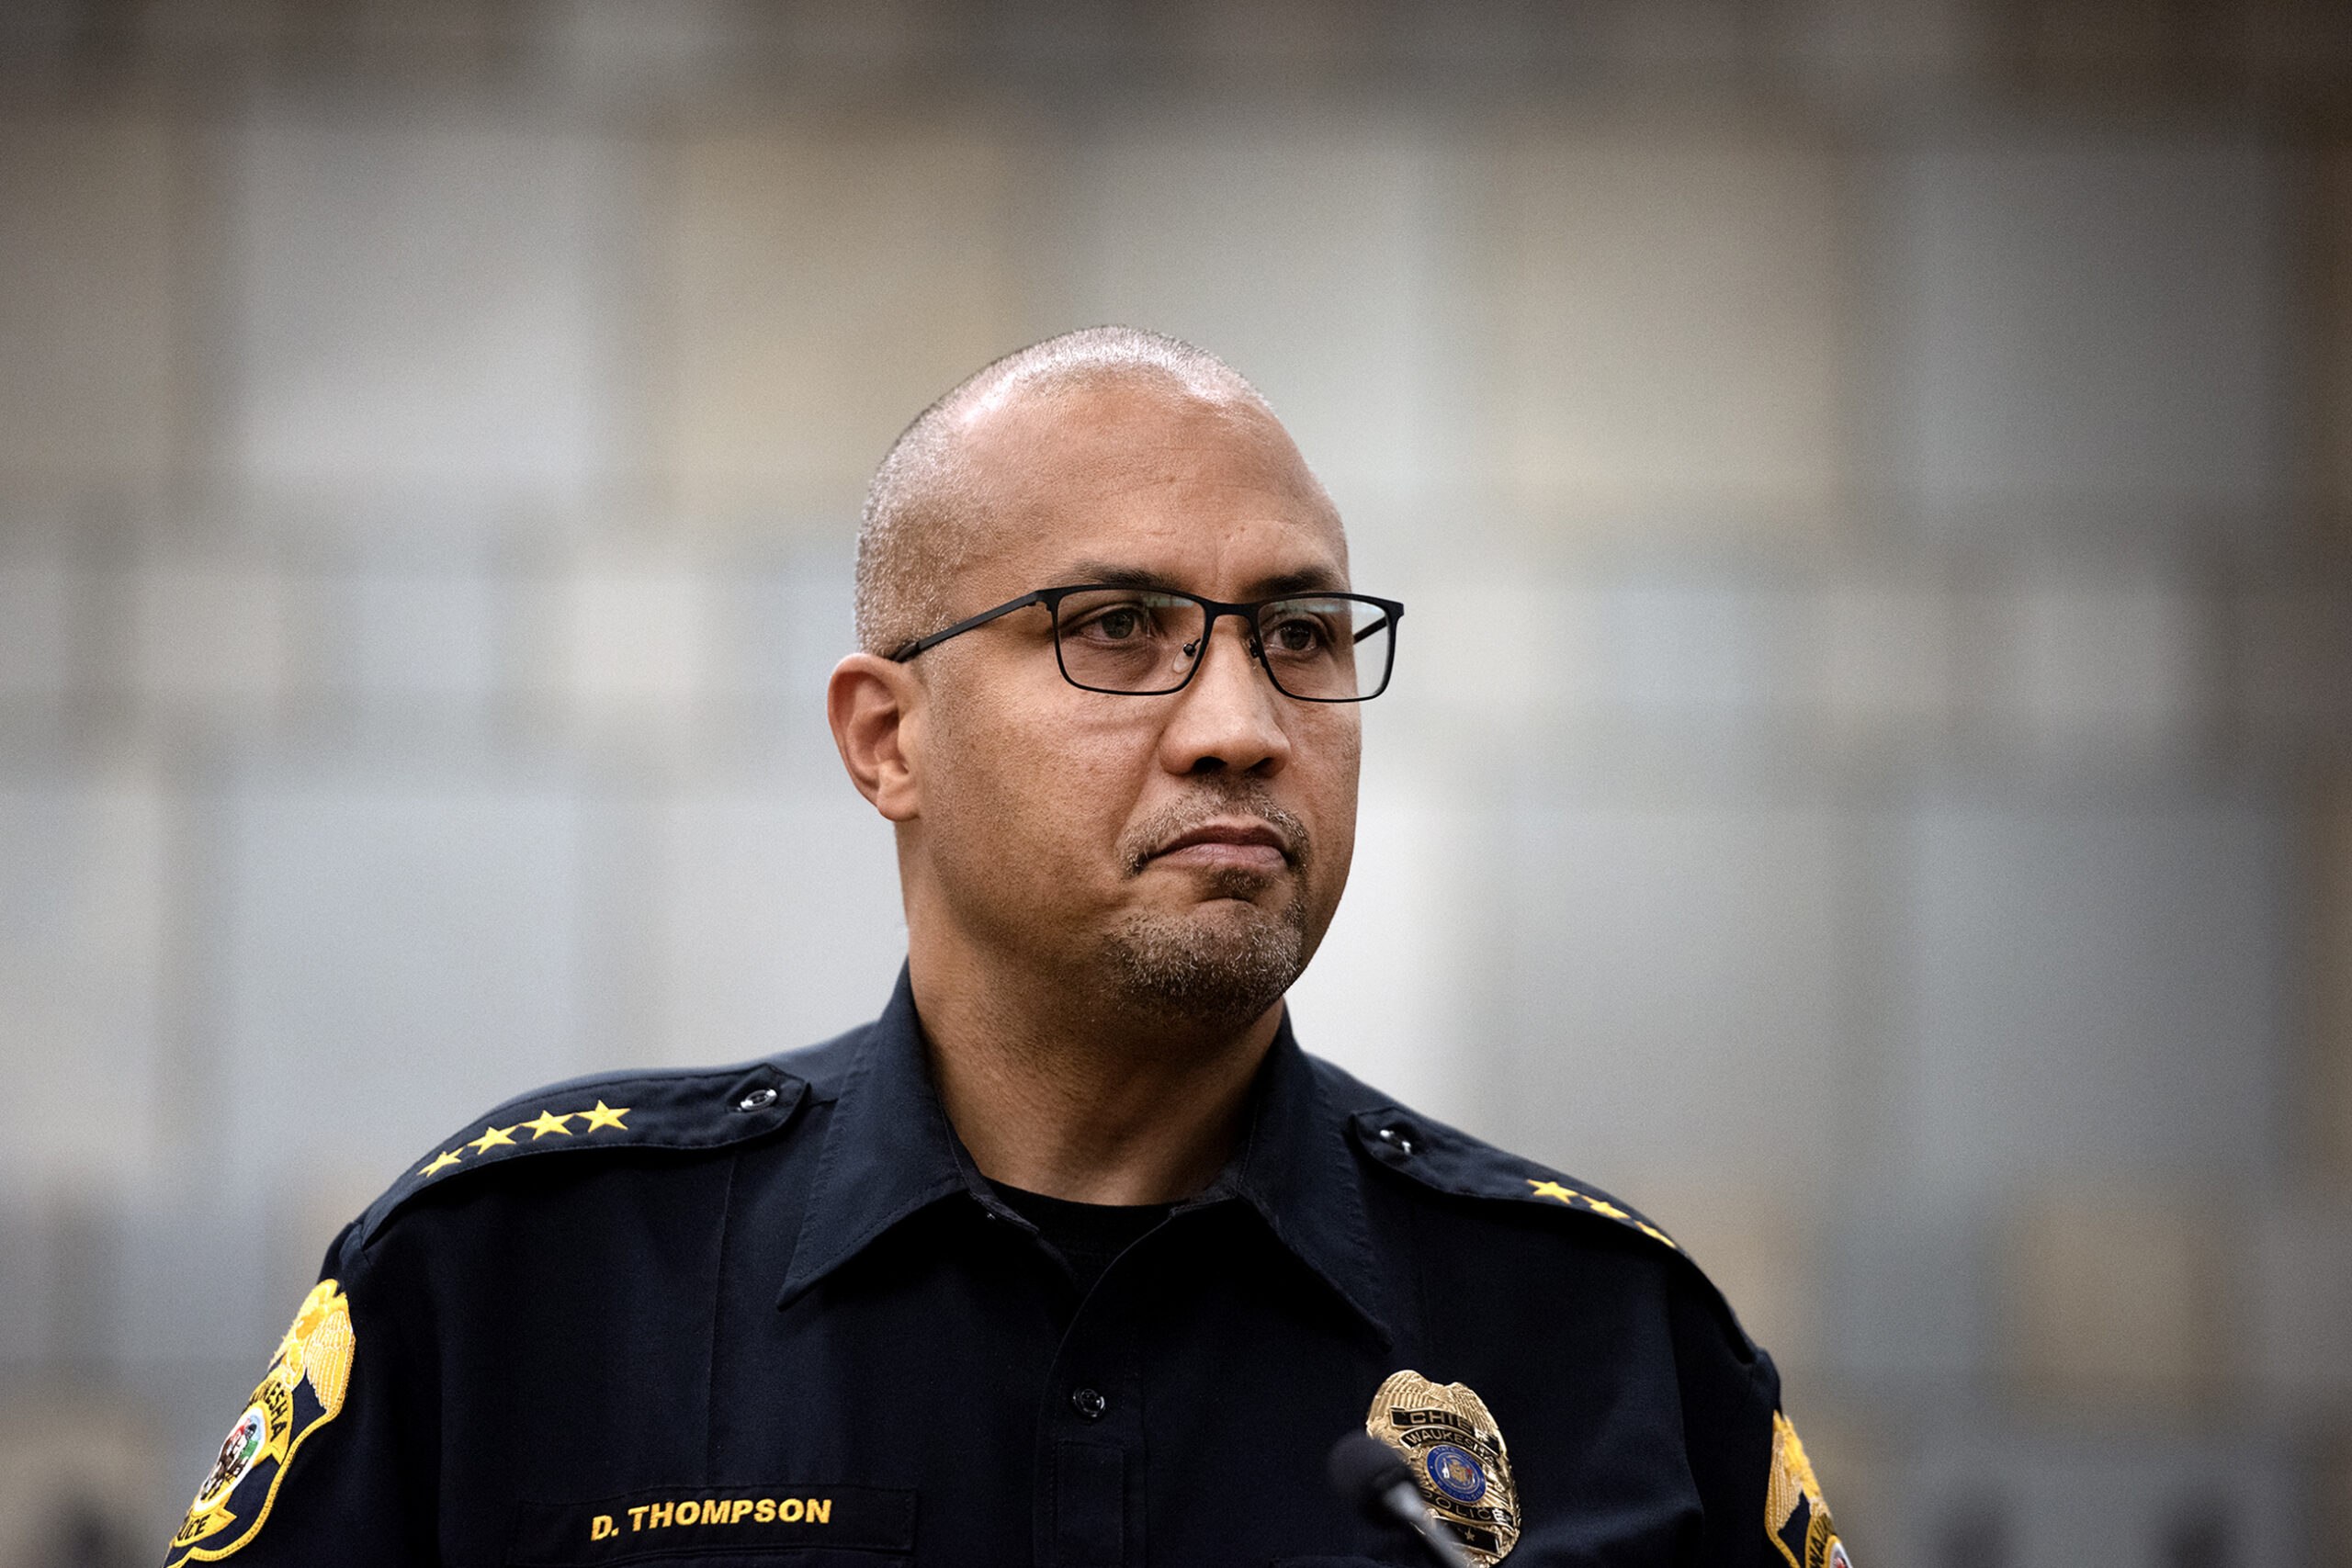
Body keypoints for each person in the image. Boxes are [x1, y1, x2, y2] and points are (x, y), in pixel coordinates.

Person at [164, 327, 1849, 1568]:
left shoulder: (1606, 1346)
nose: (1242, 725)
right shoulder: (525, 1289)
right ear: (885, 738)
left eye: (1302, 635)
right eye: (1121, 629)